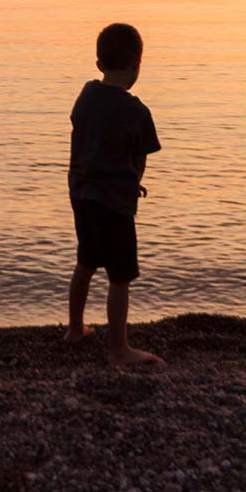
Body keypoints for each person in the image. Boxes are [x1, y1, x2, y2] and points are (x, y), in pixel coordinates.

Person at [63, 23, 164, 366]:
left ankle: (76, 329)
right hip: (116, 204)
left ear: (98, 63)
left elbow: (82, 133)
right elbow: (140, 159)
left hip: (81, 194)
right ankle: (119, 348)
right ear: (137, 64)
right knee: (121, 276)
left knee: (86, 262)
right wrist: (133, 182)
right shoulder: (137, 111)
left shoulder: (86, 95)